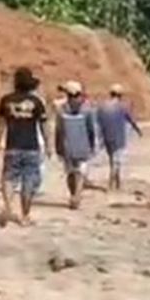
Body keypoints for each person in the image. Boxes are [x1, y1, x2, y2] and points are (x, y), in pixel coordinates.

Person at [0, 67, 48, 226]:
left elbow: (1, 124)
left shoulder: (6, 100)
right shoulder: (37, 102)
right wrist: (49, 143)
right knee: (28, 181)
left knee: (9, 177)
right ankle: (25, 216)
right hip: (31, 146)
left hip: (12, 145)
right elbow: (44, 125)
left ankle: (8, 207)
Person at [54, 81, 99, 210]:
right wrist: (91, 145)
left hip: (67, 146)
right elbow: (91, 129)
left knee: (70, 173)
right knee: (80, 173)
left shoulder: (61, 110)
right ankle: (77, 196)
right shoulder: (86, 109)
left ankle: (74, 194)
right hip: (82, 146)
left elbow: (58, 130)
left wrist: (58, 147)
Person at [96, 84, 143, 192]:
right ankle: (111, 185)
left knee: (113, 160)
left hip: (107, 137)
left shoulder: (103, 106)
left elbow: (98, 122)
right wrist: (138, 130)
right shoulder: (122, 107)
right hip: (118, 138)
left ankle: (118, 183)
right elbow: (131, 120)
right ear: (120, 95)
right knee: (116, 162)